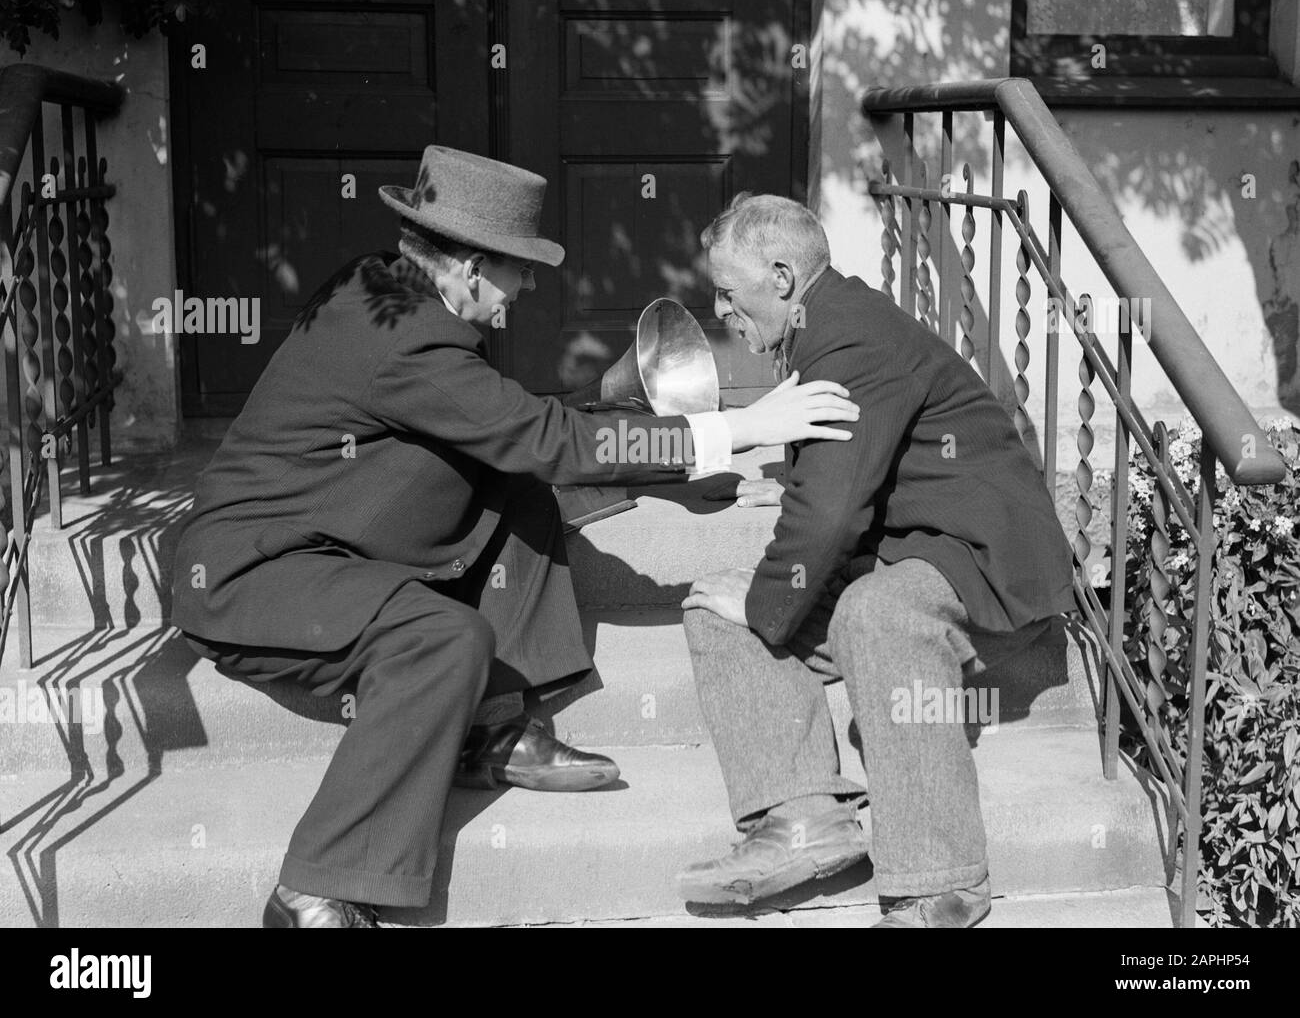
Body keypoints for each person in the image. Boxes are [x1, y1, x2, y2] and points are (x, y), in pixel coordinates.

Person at [171, 148, 860, 927]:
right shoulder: (409, 337)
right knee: (442, 640)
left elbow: (520, 434)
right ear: (467, 268)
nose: (530, 285)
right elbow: (545, 436)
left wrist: (701, 463)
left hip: (333, 533)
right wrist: (736, 429)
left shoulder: (387, 287)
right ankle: (316, 887)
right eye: (521, 266)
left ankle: (495, 731)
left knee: (521, 483)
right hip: (252, 573)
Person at [676, 193, 1075, 927]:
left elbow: (831, 515)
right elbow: (843, 476)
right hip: (909, 547)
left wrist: (769, 598)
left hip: (980, 555)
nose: (720, 309)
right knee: (714, 604)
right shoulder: (820, 324)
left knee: (875, 611)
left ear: (783, 276)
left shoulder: (849, 334)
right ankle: (802, 818)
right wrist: (791, 497)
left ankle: (939, 884)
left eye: (729, 293)